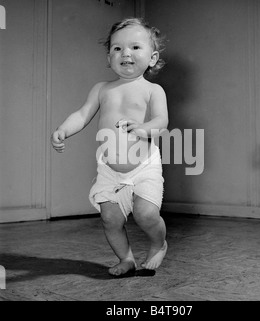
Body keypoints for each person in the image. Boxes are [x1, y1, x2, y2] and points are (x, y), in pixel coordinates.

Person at [51, 18, 168, 277]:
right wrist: (63, 129)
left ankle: (159, 243)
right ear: (109, 58)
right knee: (110, 219)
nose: (125, 53)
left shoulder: (153, 90)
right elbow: (82, 115)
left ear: (152, 58)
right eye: (117, 48)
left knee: (146, 214)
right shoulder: (102, 89)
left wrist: (142, 127)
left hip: (144, 165)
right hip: (109, 169)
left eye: (135, 47)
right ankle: (126, 259)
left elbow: (161, 122)